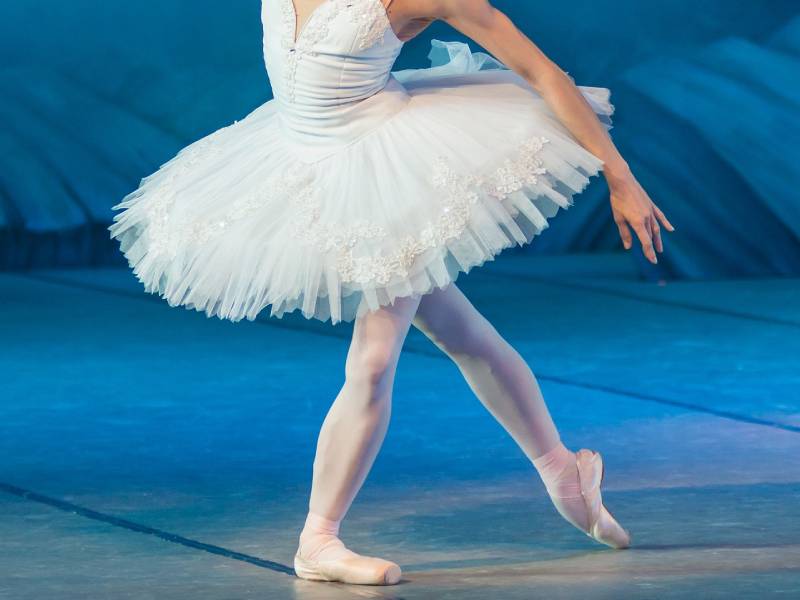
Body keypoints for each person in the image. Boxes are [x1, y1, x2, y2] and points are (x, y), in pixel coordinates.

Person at [109, 0, 674, 586]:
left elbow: (542, 72)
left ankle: (318, 539)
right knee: (461, 333)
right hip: (303, 167)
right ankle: (563, 473)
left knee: (374, 361)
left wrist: (621, 177)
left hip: (386, 182)